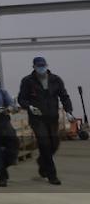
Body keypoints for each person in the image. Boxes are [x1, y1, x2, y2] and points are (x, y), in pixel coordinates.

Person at [17, 56, 75, 185]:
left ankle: (42, 162)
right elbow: (22, 99)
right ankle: (52, 175)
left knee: (54, 144)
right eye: (38, 66)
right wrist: (29, 107)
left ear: (47, 66)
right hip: (37, 119)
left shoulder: (56, 80)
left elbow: (64, 96)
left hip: (52, 117)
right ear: (34, 67)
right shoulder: (27, 81)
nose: (41, 68)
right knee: (44, 144)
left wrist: (69, 111)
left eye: (43, 65)